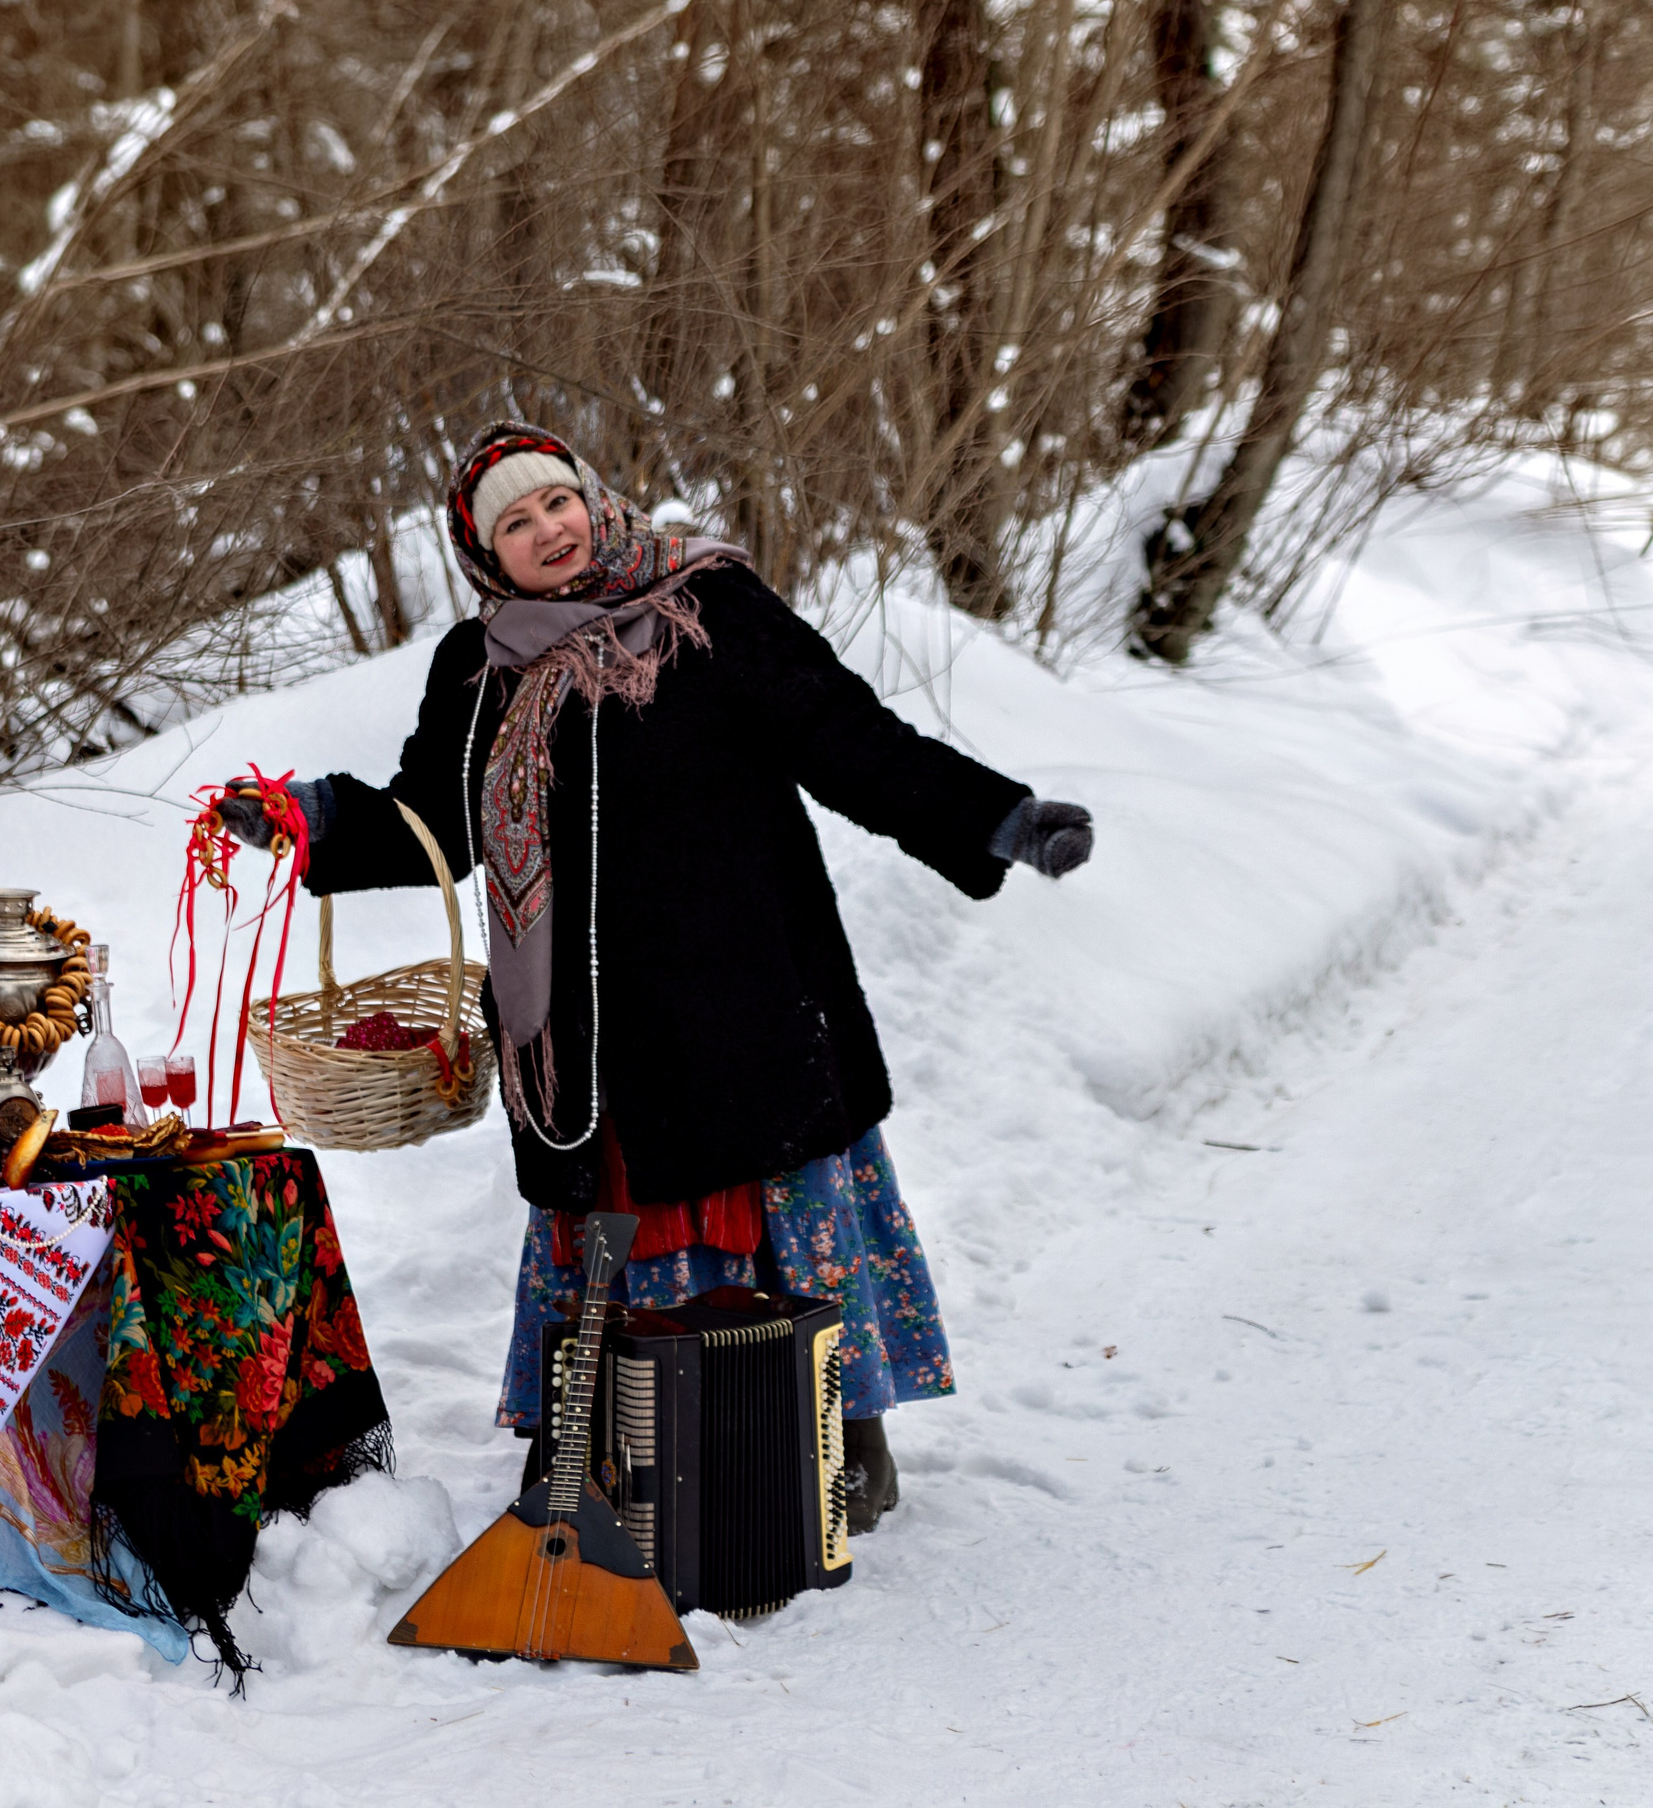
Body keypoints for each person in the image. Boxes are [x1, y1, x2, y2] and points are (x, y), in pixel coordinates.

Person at [218, 419, 1091, 1531]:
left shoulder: (708, 609)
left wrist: (1001, 820)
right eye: (515, 524)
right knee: (611, 1212)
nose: (548, 532)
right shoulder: (480, 667)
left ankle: (839, 1436)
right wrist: (316, 817)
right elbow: (436, 821)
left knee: (773, 1203)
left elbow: (847, 738)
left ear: (593, 499)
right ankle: (596, 1444)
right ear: (485, 553)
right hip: (585, 1030)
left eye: (557, 503)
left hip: (743, 992)